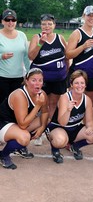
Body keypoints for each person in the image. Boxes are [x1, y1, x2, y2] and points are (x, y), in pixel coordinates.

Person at [28, 14, 68, 146]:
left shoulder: (60, 38)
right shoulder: (37, 37)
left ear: (54, 25)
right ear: (41, 25)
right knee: (40, 105)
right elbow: (31, 56)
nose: (47, 26)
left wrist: (66, 71)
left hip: (58, 79)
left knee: (52, 105)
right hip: (41, 80)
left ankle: (45, 128)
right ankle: (36, 130)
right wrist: (41, 43)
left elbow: (67, 55)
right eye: (44, 24)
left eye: (49, 24)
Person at [45, 70, 93, 164]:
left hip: (74, 128)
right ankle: (55, 150)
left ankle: (74, 146)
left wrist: (90, 127)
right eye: (76, 83)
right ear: (71, 84)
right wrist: (68, 110)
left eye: (82, 83)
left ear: (85, 84)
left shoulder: (87, 100)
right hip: (59, 128)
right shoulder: (64, 98)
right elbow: (62, 122)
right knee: (60, 141)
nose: (80, 86)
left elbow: (90, 121)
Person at [0, 68, 49, 169]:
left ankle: (18, 148)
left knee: (44, 121)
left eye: (40, 80)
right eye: (33, 80)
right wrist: (38, 105)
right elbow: (23, 124)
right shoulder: (19, 95)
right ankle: (3, 155)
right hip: (3, 123)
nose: (37, 83)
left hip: (16, 123)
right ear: (26, 81)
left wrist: (42, 127)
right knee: (24, 137)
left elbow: (45, 112)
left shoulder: (42, 93)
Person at [66, 5, 93, 105]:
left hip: (92, 75)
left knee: (89, 105)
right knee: (75, 105)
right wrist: (83, 46)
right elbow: (68, 54)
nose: (91, 18)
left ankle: (86, 121)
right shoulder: (77, 33)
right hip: (78, 74)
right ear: (84, 16)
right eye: (89, 15)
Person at [0, 9, 30, 104]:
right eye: (7, 20)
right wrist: (1, 56)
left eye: (13, 20)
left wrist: (29, 73)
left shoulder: (22, 35)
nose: (10, 22)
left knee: (16, 104)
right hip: (2, 77)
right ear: (2, 21)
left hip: (18, 77)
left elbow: (26, 56)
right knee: (2, 103)